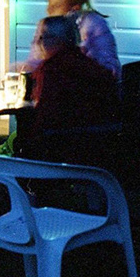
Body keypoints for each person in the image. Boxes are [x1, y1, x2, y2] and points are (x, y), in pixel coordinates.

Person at [16, 14, 121, 168]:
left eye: (42, 37)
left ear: (57, 40)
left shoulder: (52, 70)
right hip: (101, 155)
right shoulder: (93, 68)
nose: (38, 43)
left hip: (60, 155)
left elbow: (45, 118)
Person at [24, 0, 120, 80]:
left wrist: (86, 53)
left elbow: (113, 70)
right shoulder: (45, 27)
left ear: (75, 8)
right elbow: (33, 62)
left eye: (56, 6)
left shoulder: (94, 25)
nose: (48, 10)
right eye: (49, 3)